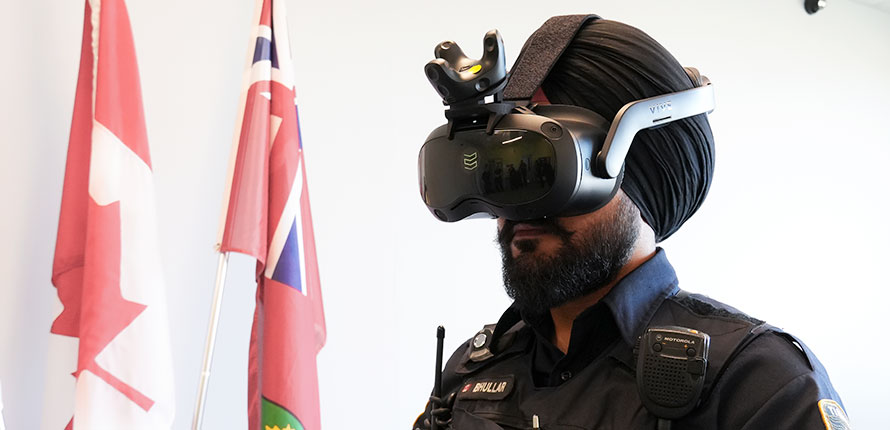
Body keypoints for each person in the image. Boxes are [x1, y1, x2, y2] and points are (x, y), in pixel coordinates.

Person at [414, 16, 849, 430]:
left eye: (545, 169)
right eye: (503, 173)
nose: (516, 208)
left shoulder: (758, 384)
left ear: (636, 169)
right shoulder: (470, 373)